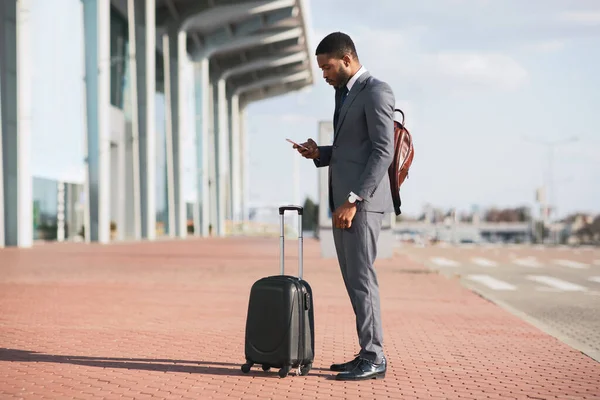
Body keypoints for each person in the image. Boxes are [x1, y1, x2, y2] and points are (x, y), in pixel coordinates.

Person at [293, 32, 396, 381]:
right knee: (354, 280)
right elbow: (353, 149)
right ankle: (366, 351)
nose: (323, 74)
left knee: (363, 279)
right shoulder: (346, 94)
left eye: (327, 66)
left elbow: (384, 151)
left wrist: (353, 200)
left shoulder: (376, 91)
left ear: (347, 59)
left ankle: (375, 356)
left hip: (361, 205)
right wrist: (320, 153)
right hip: (346, 203)